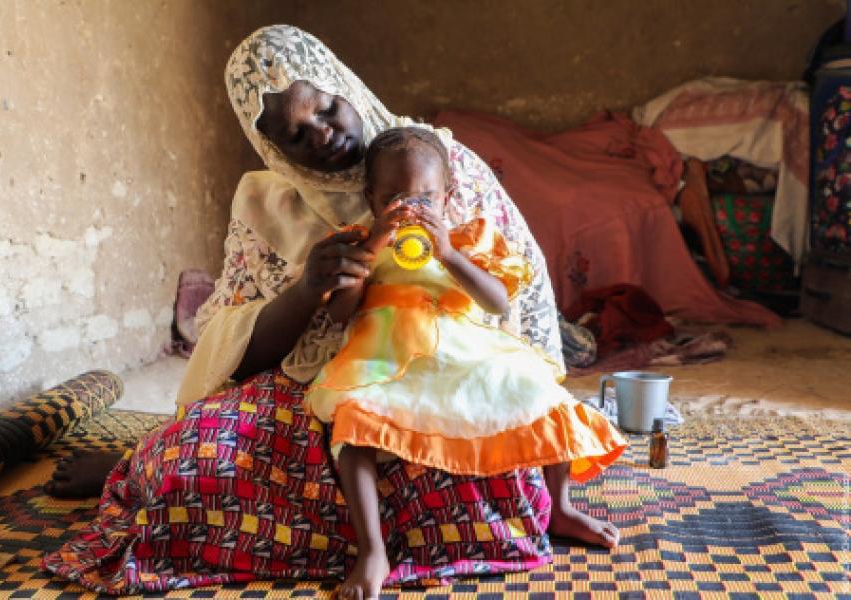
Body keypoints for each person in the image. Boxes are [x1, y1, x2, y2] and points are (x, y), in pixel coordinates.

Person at [43, 25, 600, 596]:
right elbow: (231, 353)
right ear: (271, 150)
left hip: (453, 372)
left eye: (328, 109)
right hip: (323, 386)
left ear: (343, 85)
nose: (324, 136)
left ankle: (372, 540)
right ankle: (139, 462)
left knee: (498, 488)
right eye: (296, 136)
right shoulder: (266, 204)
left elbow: (516, 303)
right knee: (188, 472)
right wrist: (307, 290)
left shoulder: (439, 162)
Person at [307, 126, 626, 599]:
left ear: (447, 197)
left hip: (465, 350)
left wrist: (450, 253)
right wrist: (374, 246)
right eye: (394, 197)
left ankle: (559, 506)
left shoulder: (467, 239)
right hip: (386, 354)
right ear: (372, 200)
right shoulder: (358, 245)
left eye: (426, 198)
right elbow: (339, 312)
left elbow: (497, 302)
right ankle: (372, 550)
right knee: (351, 423)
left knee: (544, 392)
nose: (411, 208)